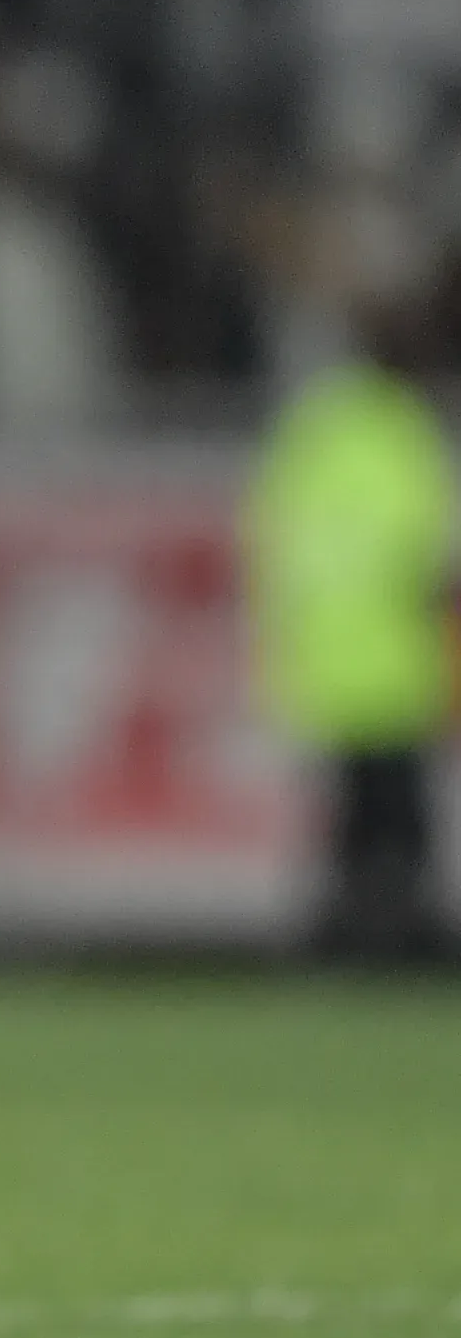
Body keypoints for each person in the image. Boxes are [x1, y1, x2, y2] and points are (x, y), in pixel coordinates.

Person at [244, 353, 457, 962]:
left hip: (322, 669)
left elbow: (268, 550)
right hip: (395, 669)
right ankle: (402, 942)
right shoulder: (404, 439)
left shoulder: (306, 441)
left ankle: (342, 939)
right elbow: (431, 560)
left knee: (346, 821)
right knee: (401, 820)